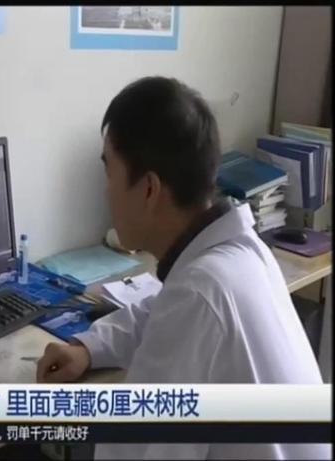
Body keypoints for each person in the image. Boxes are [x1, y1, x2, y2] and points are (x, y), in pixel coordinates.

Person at [36, 76, 329, 460]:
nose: (106, 192)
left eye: (110, 173)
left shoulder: (199, 293)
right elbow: (157, 312)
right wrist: (89, 348)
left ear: (149, 189)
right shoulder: (239, 255)